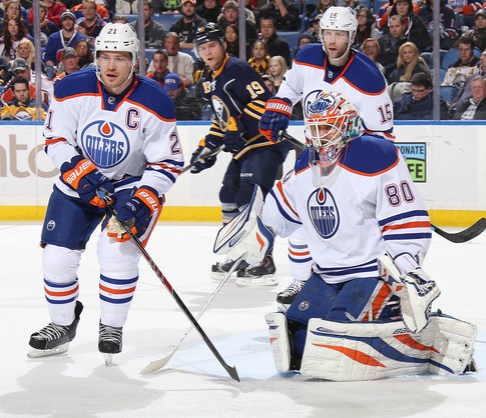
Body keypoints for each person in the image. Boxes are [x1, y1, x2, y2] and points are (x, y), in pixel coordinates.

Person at [220, 91, 476, 380]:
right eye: (315, 127)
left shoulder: (373, 156)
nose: (320, 135)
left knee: (333, 339)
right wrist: (257, 235)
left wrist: (409, 267)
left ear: (347, 126)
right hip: (325, 274)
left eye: (327, 126)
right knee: (295, 338)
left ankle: (432, 340)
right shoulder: (305, 164)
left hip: (371, 274)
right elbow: (282, 210)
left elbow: (403, 217)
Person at [28, 22, 184, 360]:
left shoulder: (156, 100)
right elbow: (56, 139)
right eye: (105, 57)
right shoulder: (70, 88)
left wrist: (143, 199)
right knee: (56, 258)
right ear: (96, 57)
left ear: (135, 61)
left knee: (116, 252)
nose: (111, 66)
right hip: (79, 182)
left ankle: (112, 326)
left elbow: (168, 162)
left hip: (130, 184)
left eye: (121, 57)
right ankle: (61, 324)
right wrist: (80, 173)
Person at [258, 6, 394, 303]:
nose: (332, 40)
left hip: (349, 163)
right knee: (303, 217)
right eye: (328, 33)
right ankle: (301, 280)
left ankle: (369, 277)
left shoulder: (369, 79)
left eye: (340, 34)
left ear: (352, 36)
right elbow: (291, 87)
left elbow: (383, 135)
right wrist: (279, 107)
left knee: (349, 224)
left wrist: (363, 163)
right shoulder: (307, 58)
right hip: (312, 154)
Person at [189, 23, 290, 284]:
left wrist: (239, 124)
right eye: (203, 47)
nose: (208, 51)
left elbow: (267, 104)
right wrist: (206, 148)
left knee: (250, 196)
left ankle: (263, 258)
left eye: (212, 45)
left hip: (265, 144)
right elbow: (221, 120)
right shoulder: (209, 80)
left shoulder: (237, 69)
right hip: (245, 148)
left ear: (223, 45)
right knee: (228, 195)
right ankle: (238, 252)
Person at [43, 10, 87, 80]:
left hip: (76, 71)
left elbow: (86, 57)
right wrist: (52, 67)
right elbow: (48, 56)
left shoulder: (81, 38)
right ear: (61, 22)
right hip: (57, 71)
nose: (67, 22)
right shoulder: (53, 37)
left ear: (74, 21)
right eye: (65, 19)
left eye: (70, 19)